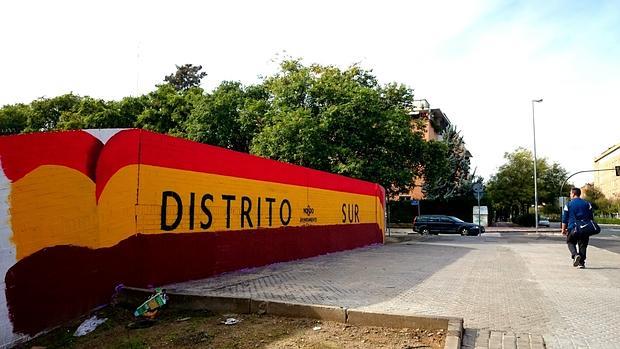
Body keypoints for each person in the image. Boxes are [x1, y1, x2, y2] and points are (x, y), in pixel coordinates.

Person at [561, 187, 594, 268]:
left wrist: (563, 229)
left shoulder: (568, 204)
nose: (570, 195)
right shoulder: (587, 204)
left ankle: (575, 255)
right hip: (585, 228)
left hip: (573, 228)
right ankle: (581, 263)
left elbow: (564, 219)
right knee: (583, 245)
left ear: (573, 194)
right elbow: (591, 218)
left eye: (570, 193)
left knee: (570, 242)